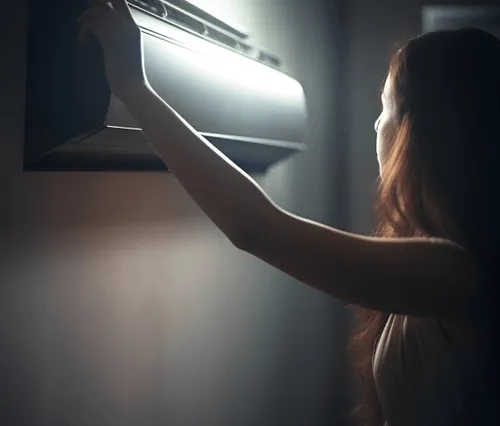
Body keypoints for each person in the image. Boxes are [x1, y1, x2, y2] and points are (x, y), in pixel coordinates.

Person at [79, 1, 500, 425]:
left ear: (421, 133)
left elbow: (255, 228)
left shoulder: (453, 272)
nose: (376, 126)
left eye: (385, 107)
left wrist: (133, 84)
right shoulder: (447, 262)